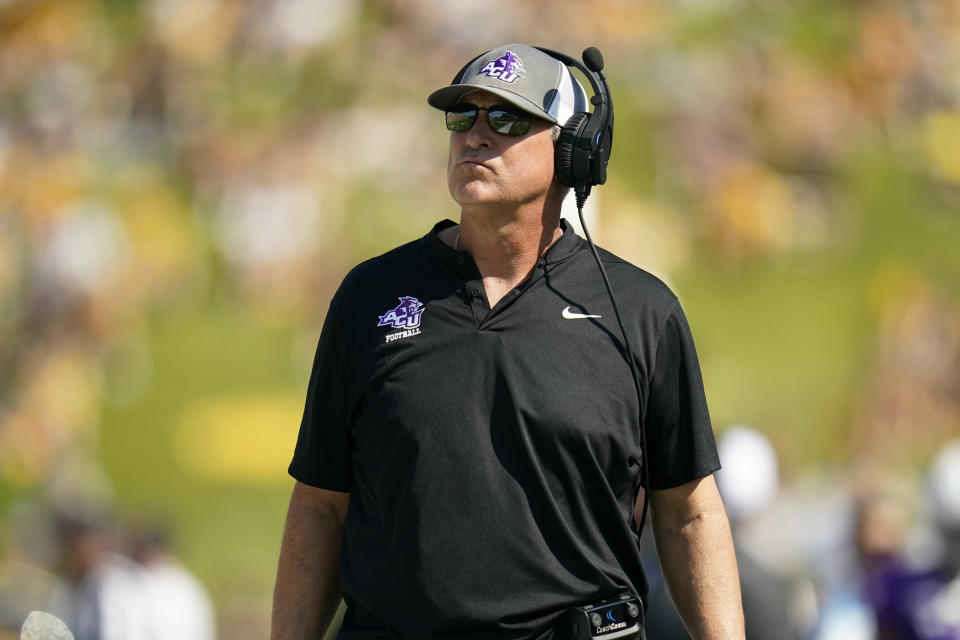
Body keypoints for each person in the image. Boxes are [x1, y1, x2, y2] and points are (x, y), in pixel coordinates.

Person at [271, 43, 744, 640]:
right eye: (461, 117)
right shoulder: (369, 298)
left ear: (575, 150)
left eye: (508, 119)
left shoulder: (642, 311)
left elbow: (688, 513)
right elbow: (319, 503)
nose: (475, 135)